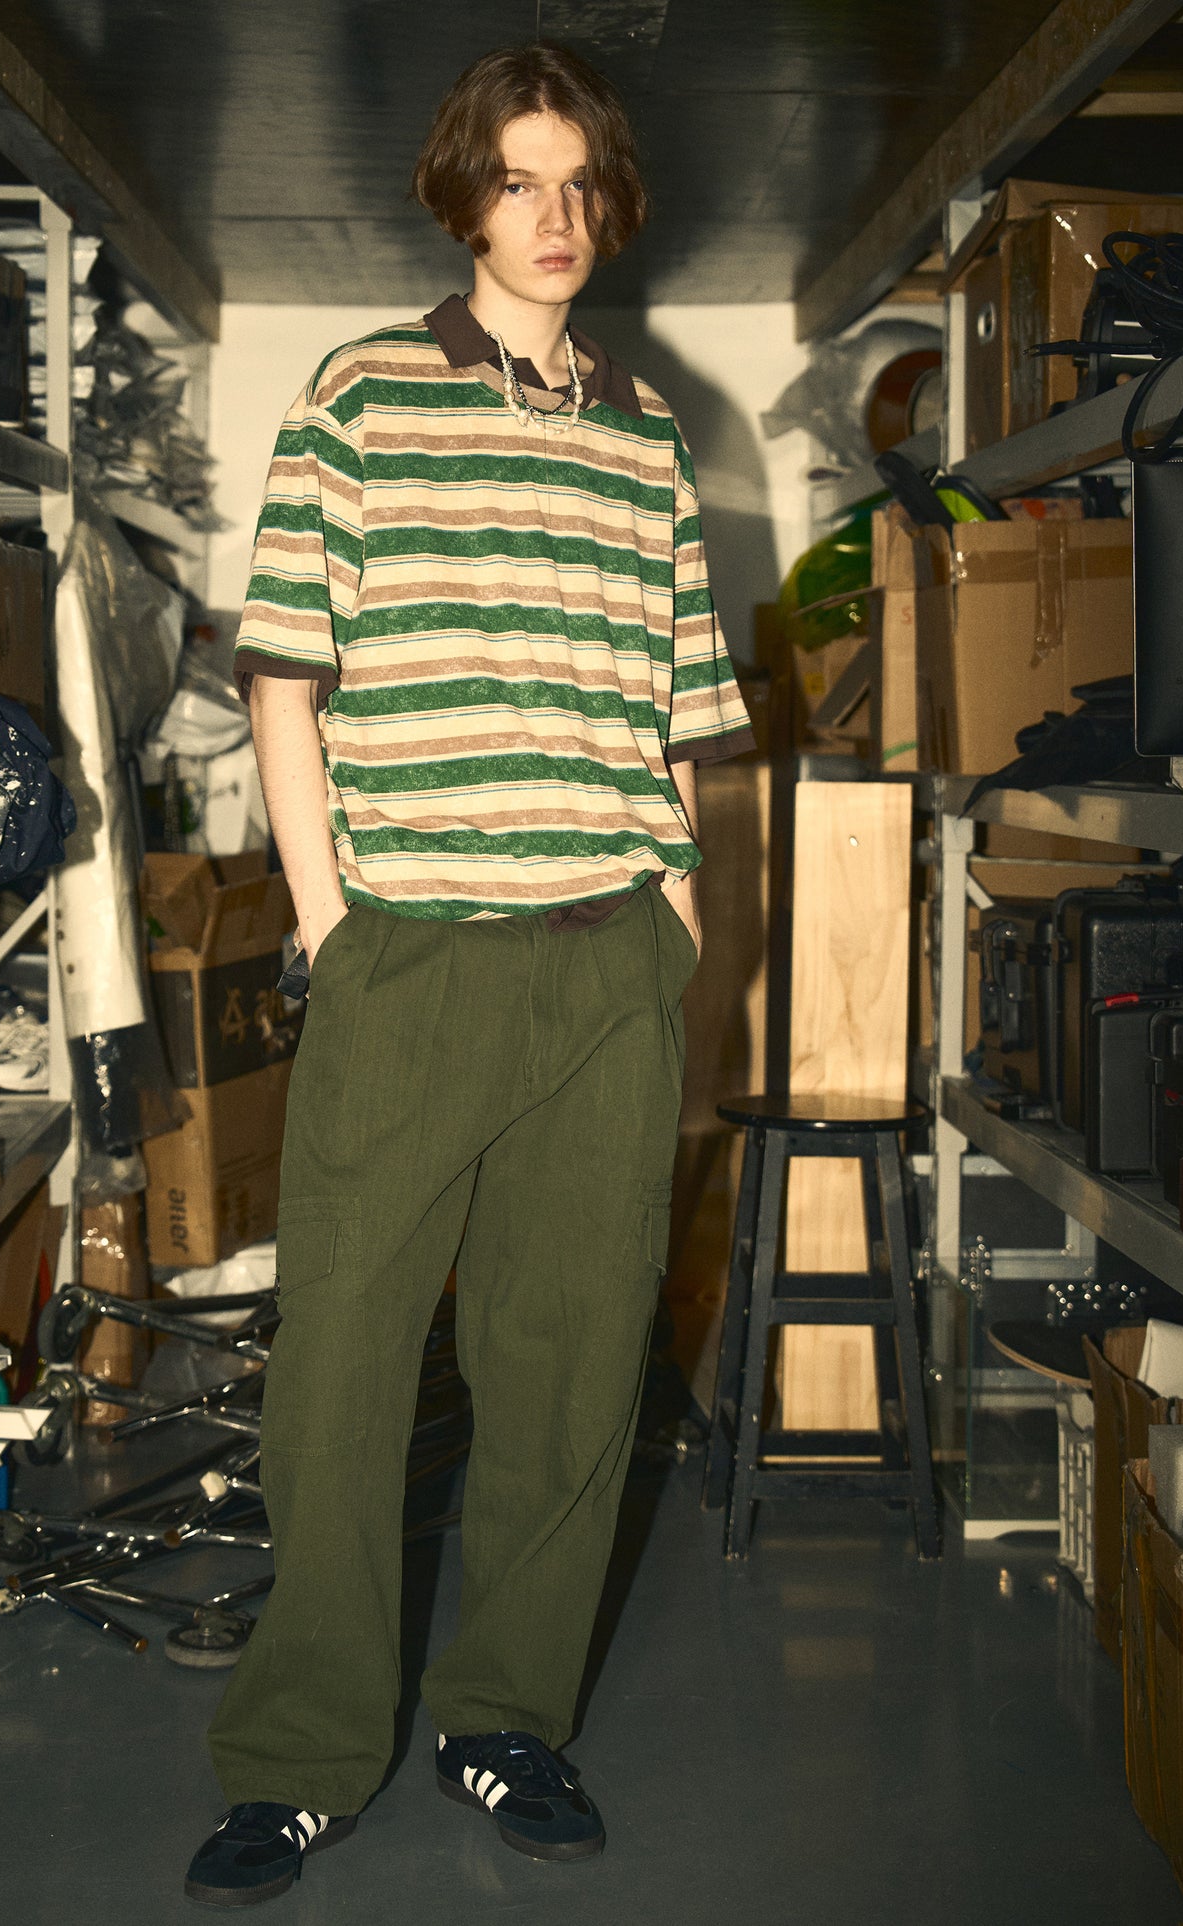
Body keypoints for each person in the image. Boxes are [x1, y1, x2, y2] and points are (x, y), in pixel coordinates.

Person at [185, 39, 753, 1908]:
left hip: (606, 958)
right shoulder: (360, 394)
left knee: (572, 1365)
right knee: (340, 1367)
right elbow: (285, 677)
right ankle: (301, 1756)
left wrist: (676, 913)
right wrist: (330, 921)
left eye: (579, 182)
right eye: (519, 180)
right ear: (464, 200)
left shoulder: (651, 435)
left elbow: (680, 707)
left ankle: (503, 1717)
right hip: (409, 956)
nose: (554, 214)